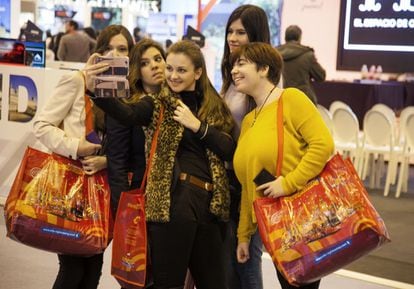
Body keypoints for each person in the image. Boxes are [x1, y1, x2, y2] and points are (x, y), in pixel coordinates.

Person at [85, 39, 236, 289]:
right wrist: (97, 90)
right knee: (168, 284)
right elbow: (127, 113)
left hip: (211, 207)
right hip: (173, 204)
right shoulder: (157, 104)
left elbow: (228, 148)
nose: (173, 76)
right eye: (170, 69)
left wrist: (197, 126)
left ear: (198, 73)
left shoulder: (213, 107)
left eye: (181, 70)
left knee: (216, 283)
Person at [33, 24, 134, 289]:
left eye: (122, 49)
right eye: (108, 48)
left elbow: (128, 145)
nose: (114, 54)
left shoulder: (128, 93)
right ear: (98, 51)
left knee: (93, 269)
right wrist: (76, 146)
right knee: (72, 268)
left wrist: (107, 159)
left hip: (104, 192)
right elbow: (42, 125)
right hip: (71, 188)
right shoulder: (77, 80)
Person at [230, 42, 334, 289]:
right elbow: (248, 184)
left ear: (264, 69)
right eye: (233, 64)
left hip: (301, 221)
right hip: (276, 229)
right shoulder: (249, 120)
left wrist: (287, 183)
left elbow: (323, 145)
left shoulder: (291, 99)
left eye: (241, 63)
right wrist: (244, 236)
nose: (234, 70)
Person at [220, 4, 281, 289]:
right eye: (230, 31)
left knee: (247, 259)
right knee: (234, 257)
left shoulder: (267, 82)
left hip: (256, 180)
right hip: (231, 177)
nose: (232, 37)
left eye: (241, 32)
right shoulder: (232, 74)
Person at [106, 38, 166, 218]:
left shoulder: (176, 100)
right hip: (139, 195)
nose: (154, 66)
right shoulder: (127, 105)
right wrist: (122, 212)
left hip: (171, 198)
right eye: (145, 63)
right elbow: (117, 163)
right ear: (137, 71)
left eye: (158, 59)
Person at [277, 25, 326, 104]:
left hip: (280, 99)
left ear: (285, 38)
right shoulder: (307, 55)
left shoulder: (275, 53)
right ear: (299, 38)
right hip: (304, 100)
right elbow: (321, 76)